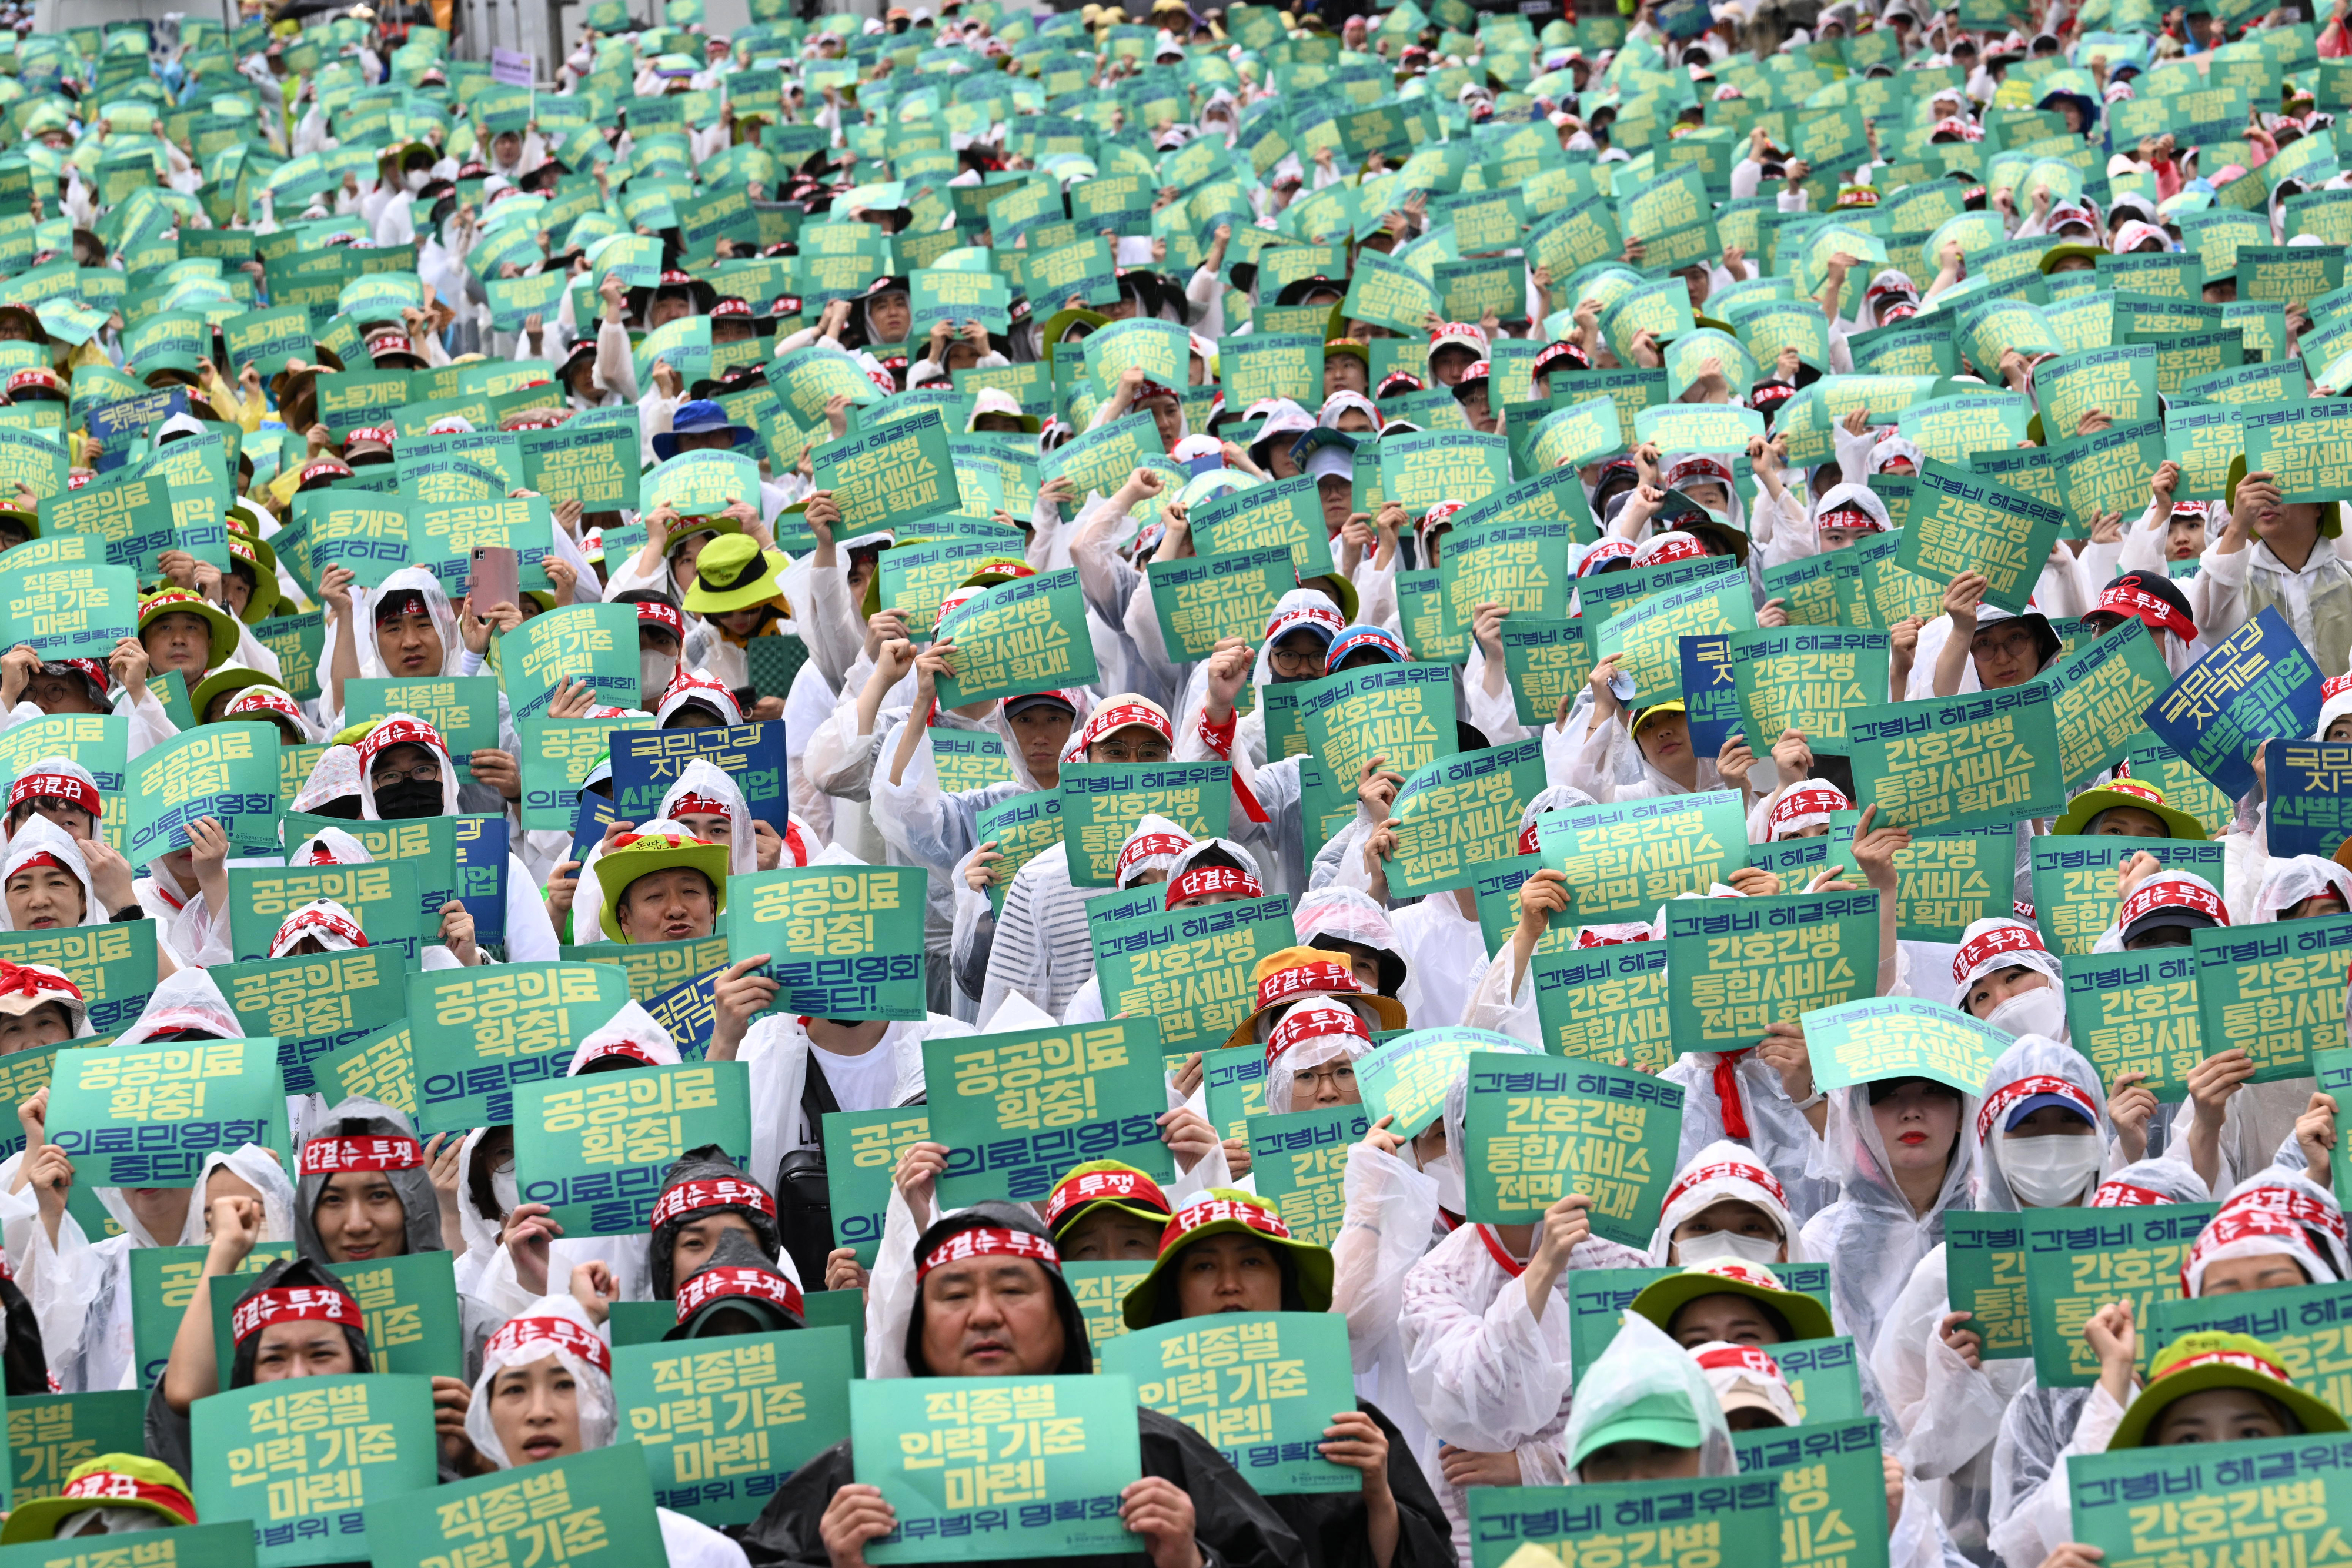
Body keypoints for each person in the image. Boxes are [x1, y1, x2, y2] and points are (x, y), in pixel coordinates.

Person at [739, 1202, 1304, 1568]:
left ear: (1064, 1316)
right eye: (955, 1295)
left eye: (1013, 1289)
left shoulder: (1155, 1453)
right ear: (919, 1331)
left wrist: (1190, 1561)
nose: (984, 1315)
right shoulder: (853, 1479)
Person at [1118, 1189, 1452, 1568]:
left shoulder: (1346, 1423)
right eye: (1203, 1267)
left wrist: (1380, 1499)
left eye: (1251, 1261)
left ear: (1284, 1284)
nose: (1229, 1283)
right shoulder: (1135, 1438)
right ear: (1174, 1294)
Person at [463, 1293, 754, 1566]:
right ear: (486, 1414)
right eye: (515, 1389)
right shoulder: (451, 1556)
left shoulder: (699, 1555)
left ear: (605, 1409)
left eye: (566, 1384)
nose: (539, 1412)